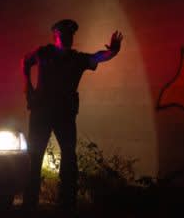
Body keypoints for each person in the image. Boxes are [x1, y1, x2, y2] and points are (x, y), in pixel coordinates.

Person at [21, 19, 123, 214]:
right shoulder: (44, 52)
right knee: (35, 158)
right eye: (65, 34)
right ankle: (30, 205)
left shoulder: (76, 59)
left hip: (64, 114)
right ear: (56, 35)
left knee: (69, 158)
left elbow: (97, 57)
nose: (69, 37)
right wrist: (28, 88)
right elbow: (25, 61)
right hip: (42, 112)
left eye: (71, 34)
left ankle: (66, 204)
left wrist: (112, 52)